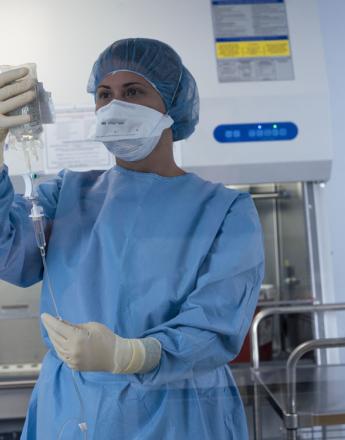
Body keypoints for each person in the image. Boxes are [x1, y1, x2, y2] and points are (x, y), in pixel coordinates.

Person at [0, 38, 264, 439]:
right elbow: (10, 253)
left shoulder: (225, 211)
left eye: (134, 92)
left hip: (180, 412)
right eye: (104, 94)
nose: (114, 106)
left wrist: (131, 355)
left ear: (173, 105)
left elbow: (216, 326)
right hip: (73, 410)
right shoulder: (67, 195)